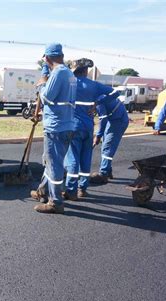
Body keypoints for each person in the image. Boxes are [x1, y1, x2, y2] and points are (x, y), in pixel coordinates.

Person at [30, 43, 77, 214]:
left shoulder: (58, 73)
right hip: (66, 124)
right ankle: (43, 191)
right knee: (50, 160)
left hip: (56, 126)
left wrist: (42, 84)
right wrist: (45, 73)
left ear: (48, 58)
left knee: (54, 163)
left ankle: (55, 202)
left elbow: (47, 97)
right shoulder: (69, 73)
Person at [64, 58, 116, 200]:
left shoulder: (69, 84)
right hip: (88, 127)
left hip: (73, 126)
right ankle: (83, 188)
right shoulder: (94, 85)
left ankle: (71, 190)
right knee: (86, 157)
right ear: (86, 71)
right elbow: (114, 93)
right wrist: (97, 103)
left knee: (73, 158)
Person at [89, 93, 129, 184]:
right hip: (111, 119)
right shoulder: (96, 97)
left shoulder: (98, 101)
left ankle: (103, 174)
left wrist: (98, 136)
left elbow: (103, 119)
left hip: (119, 121)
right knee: (105, 145)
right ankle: (108, 169)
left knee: (108, 146)